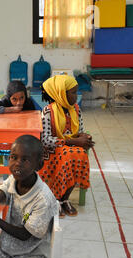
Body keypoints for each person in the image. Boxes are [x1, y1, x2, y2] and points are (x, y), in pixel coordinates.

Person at [38, 75, 94, 218]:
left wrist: (85, 138)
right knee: (68, 155)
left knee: (79, 154)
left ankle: (64, 199)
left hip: (70, 147)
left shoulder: (75, 109)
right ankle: (56, 199)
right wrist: (73, 142)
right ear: (61, 93)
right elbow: (45, 140)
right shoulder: (48, 112)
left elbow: (80, 130)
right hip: (52, 150)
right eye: (73, 92)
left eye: (77, 91)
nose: (77, 96)